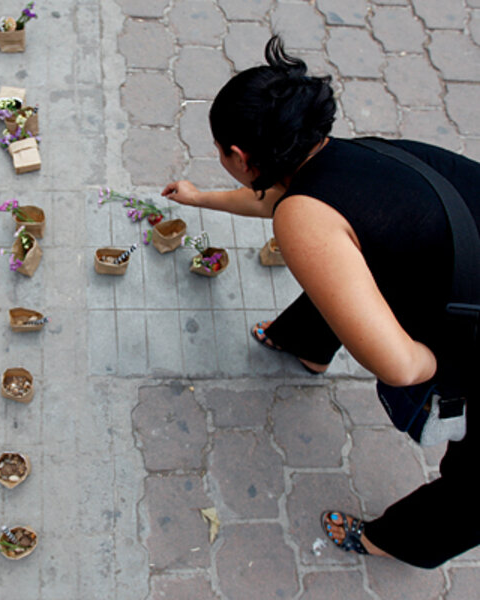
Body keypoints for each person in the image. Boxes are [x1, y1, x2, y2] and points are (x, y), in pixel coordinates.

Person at [162, 35, 479, 569]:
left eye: (219, 152)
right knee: (348, 270)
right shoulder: (352, 154)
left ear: (238, 155)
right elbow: (280, 197)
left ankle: (396, 541)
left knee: (475, 486)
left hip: (462, 323)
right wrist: (200, 198)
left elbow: (399, 365)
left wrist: (446, 363)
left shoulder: (304, 216)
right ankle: (306, 346)